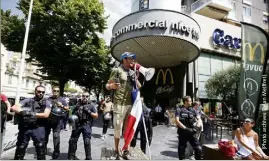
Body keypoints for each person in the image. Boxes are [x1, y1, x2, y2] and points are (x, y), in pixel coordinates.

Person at [106, 52, 141, 160]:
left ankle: (126, 150)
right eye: (131, 59)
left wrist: (136, 78)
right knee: (118, 128)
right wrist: (112, 86)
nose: (133, 61)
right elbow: (107, 85)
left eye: (133, 59)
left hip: (130, 104)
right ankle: (117, 150)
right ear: (124, 60)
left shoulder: (132, 72)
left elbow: (139, 86)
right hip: (119, 103)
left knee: (128, 128)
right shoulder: (117, 70)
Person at [11, 85, 52, 160]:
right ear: (35, 91)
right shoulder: (28, 100)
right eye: (39, 91)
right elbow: (13, 107)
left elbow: (46, 114)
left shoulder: (47, 102)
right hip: (25, 127)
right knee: (21, 147)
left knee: (40, 148)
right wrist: (22, 112)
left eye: (43, 92)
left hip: (38, 127)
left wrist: (31, 114)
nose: (41, 93)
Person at [67, 92, 98, 160]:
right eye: (83, 96)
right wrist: (71, 120)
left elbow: (96, 116)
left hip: (86, 124)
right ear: (81, 96)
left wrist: (88, 111)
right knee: (72, 140)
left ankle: (88, 158)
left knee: (87, 141)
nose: (85, 97)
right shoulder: (77, 104)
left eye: (86, 96)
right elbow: (71, 113)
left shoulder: (92, 105)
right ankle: (71, 157)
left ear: (88, 97)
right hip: (77, 124)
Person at [175, 96, 203, 160]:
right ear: (185, 102)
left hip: (192, 132)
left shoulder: (193, 110)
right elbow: (177, 121)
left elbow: (199, 119)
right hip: (183, 132)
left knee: (198, 149)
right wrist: (186, 129)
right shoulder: (179, 109)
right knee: (181, 149)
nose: (191, 102)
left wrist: (196, 127)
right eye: (190, 101)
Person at [44, 87, 69, 159]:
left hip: (57, 121)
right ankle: (44, 148)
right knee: (45, 135)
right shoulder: (48, 99)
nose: (56, 92)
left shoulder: (62, 99)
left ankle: (56, 151)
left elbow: (68, 108)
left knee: (56, 136)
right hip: (48, 120)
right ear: (52, 91)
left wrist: (62, 105)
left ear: (59, 92)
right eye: (54, 90)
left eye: (57, 91)